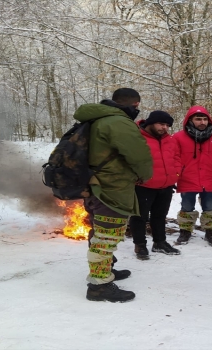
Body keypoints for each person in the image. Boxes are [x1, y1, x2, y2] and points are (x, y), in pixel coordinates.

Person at [74, 88, 153, 303]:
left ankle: (106, 269)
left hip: (94, 186)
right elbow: (140, 155)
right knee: (106, 237)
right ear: (134, 105)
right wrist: (145, 175)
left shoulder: (96, 119)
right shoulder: (118, 122)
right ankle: (99, 286)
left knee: (100, 232)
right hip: (111, 188)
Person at [173, 105, 212, 247]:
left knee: (210, 206)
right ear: (190, 120)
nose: (202, 122)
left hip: (210, 178)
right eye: (198, 119)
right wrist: (174, 177)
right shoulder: (178, 137)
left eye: (205, 119)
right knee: (186, 206)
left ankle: (210, 231)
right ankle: (185, 230)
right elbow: (174, 158)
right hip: (187, 178)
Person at [130, 110, 181, 259]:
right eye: (161, 124)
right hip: (143, 186)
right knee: (139, 217)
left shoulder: (170, 140)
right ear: (151, 123)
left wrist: (176, 173)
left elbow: (176, 157)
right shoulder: (136, 138)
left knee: (160, 216)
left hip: (166, 186)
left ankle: (160, 242)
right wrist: (135, 177)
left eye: (167, 125)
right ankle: (140, 245)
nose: (164, 127)